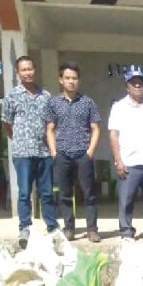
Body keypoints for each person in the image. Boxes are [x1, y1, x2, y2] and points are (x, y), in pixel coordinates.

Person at [2, 55, 57, 248]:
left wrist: (52, 149)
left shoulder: (46, 96)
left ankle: (52, 227)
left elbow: (51, 124)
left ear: (35, 70)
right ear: (18, 73)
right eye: (23, 70)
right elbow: (6, 124)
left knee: (47, 193)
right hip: (22, 153)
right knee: (24, 193)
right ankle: (25, 227)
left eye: (30, 69)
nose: (28, 72)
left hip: (43, 153)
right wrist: (18, 139)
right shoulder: (12, 96)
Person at [45, 62, 101, 244]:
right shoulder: (53, 103)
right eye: (67, 78)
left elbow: (96, 128)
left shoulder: (88, 102)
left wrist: (90, 151)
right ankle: (69, 229)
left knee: (89, 193)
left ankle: (92, 229)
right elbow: (50, 129)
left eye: (74, 78)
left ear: (79, 81)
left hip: (82, 155)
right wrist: (54, 152)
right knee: (64, 194)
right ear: (61, 80)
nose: (71, 82)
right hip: (62, 155)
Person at [108, 67, 143, 240]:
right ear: (127, 86)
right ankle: (126, 231)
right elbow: (114, 135)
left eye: (140, 83)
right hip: (129, 162)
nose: (137, 86)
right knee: (126, 200)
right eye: (133, 83)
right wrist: (118, 161)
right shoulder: (118, 107)